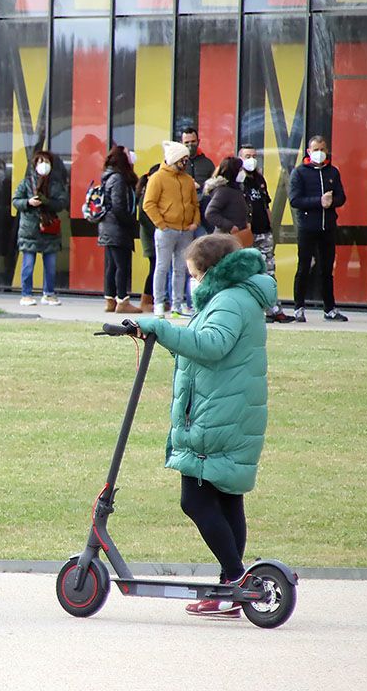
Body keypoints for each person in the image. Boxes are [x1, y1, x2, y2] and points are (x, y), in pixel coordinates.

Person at [136, 234, 273, 617]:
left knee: (195, 498)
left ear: (211, 271)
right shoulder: (236, 295)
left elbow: (211, 344)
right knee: (227, 498)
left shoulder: (230, 299)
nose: (192, 281)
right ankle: (234, 587)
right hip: (228, 408)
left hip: (218, 414)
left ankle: (234, 580)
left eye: (195, 274)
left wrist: (160, 328)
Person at [289, 136, 348, 322]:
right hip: (307, 227)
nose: (319, 152)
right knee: (304, 267)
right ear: (309, 151)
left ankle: (329, 309)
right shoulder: (299, 172)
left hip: (328, 227)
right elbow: (295, 200)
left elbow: (341, 197)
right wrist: (318, 202)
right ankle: (299, 307)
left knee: (326, 269)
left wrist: (332, 203)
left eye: (322, 149)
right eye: (315, 149)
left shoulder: (333, 172)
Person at [143, 141, 200, 318]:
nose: (185, 163)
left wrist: (195, 222)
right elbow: (149, 204)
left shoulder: (187, 180)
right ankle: (159, 303)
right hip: (167, 230)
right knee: (162, 267)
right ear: (174, 159)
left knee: (181, 268)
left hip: (185, 230)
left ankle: (178, 304)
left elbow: (194, 204)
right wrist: (162, 224)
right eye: (183, 160)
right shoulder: (158, 178)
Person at [239, 146, 292, 323]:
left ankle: (274, 309)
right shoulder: (239, 181)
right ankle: (256, 310)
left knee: (269, 272)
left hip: (264, 232)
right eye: (247, 156)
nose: (251, 159)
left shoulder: (259, 179)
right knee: (249, 273)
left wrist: (270, 226)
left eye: (254, 156)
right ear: (240, 158)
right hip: (248, 234)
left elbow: (265, 204)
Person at [11, 150, 68, 306]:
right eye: (40, 161)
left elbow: (63, 203)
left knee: (50, 266)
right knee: (28, 264)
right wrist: (28, 202)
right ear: (35, 164)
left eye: (47, 162)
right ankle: (26, 294)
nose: (44, 165)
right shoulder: (26, 183)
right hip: (29, 230)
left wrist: (47, 202)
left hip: (49, 230)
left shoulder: (56, 185)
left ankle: (49, 293)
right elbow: (16, 200)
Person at [98, 146, 141, 314]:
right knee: (121, 265)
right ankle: (122, 300)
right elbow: (118, 206)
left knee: (112, 266)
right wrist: (130, 222)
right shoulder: (118, 178)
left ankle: (110, 300)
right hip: (117, 228)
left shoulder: (110, 176)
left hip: (109, 227)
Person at [136, 163, 160, 312]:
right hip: (150, 235)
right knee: (154, 266)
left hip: (154, 233)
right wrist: (158, 229)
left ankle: (154, 298)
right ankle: (146, 299)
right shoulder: (147, 193)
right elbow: (143, 217)